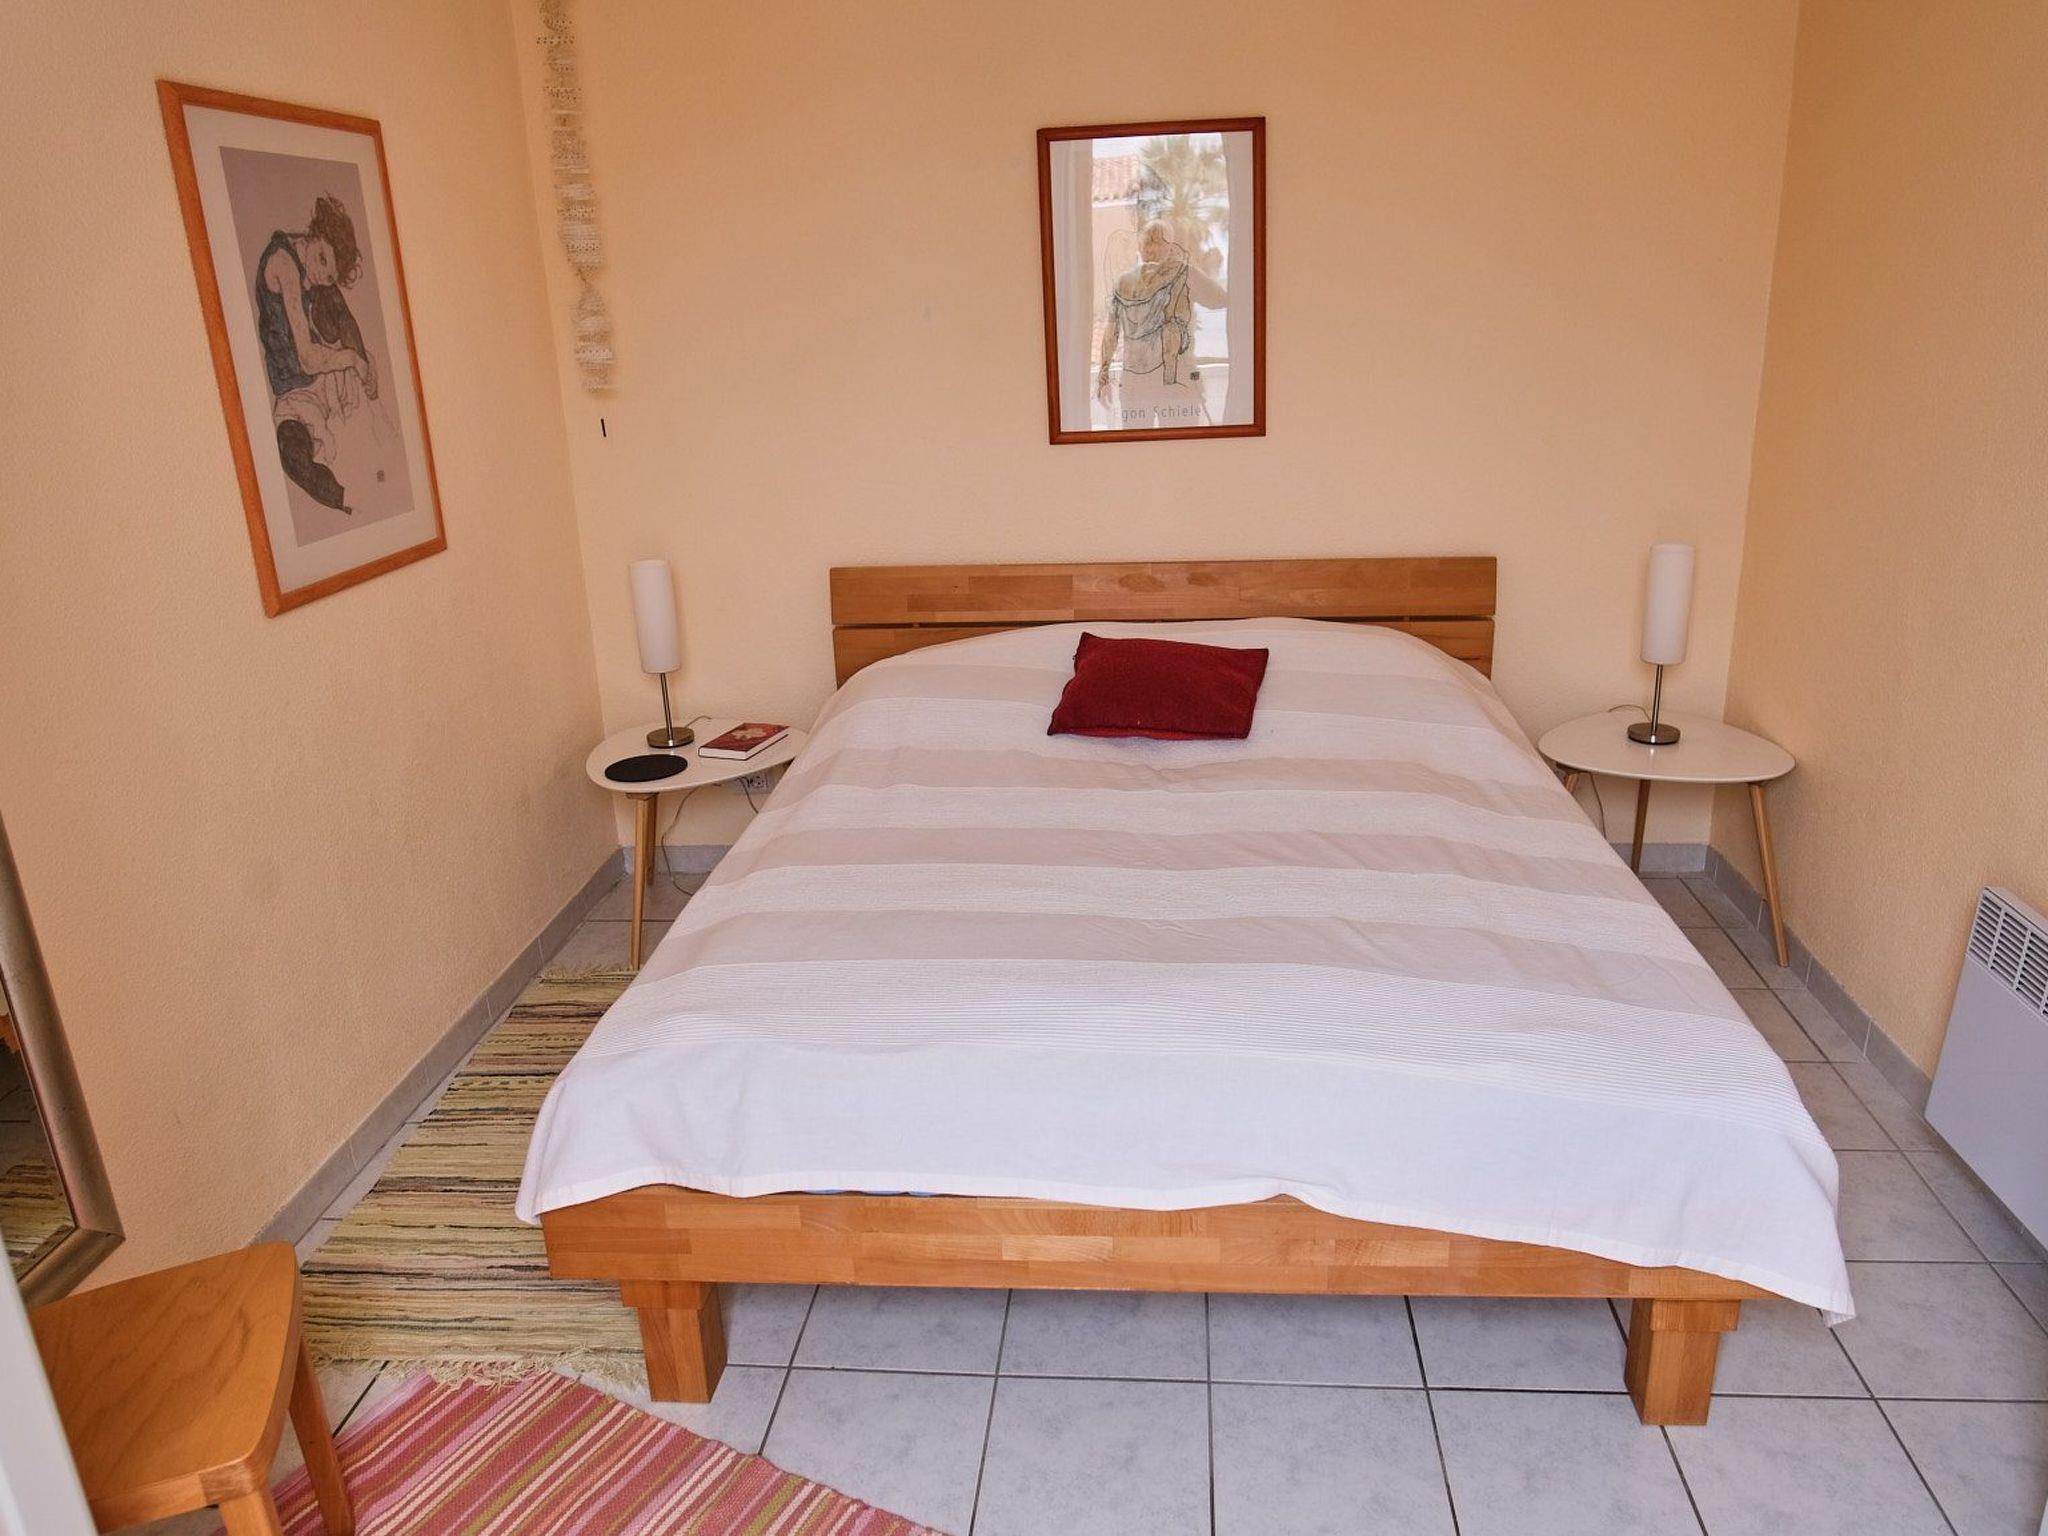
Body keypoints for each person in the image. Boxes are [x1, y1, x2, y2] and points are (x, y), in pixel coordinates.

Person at [254, 195, 378, 511]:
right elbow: (308, 359)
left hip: (320, 383)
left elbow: (342, 319)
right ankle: (349, 501)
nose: (320, 273)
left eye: (329, 274)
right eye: (322, 258)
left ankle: (369, 484)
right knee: (292, 452)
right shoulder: (284, 263)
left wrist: (360, 358)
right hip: (294, 391)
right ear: (315, 234)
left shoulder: (317, 272)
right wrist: (353, 359)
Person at [1095, 219, 1226, 428]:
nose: (1153, 249)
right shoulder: (1125, 282)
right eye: (1148, 242)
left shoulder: (1186, 274)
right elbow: (1112, 331)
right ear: (1140, 247)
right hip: (1137, 385)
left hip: (1178, 382)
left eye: (1159, 242)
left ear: (1171, 246)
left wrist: (1193, 269)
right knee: (1138, 446)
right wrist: (1103, 375)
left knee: (1182, 444)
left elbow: (1221, 299)